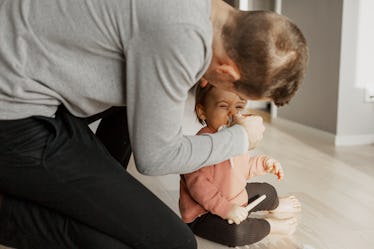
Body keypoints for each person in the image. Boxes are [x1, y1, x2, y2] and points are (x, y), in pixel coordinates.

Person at [0, 0, 308, 248]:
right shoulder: (181, 36)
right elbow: (155, 156)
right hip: (14, 112)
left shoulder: (202, 13)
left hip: (31, 67)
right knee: (174, 242)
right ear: (227, 70)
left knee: (116, 218)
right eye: (239, 93)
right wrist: (241, 138)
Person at [179, 85, 301, 247]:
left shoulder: (236, 138)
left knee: (267, 191)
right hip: (203, 214)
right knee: (237, 233)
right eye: (223, 106)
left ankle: (276, 205)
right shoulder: (201, 145)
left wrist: (264, 163)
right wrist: (227, 209)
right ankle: (271, 226)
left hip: (232, 198)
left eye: (238, 107)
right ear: (202, 111)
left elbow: (243, 169)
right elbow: (200, 189)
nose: (232, 113)